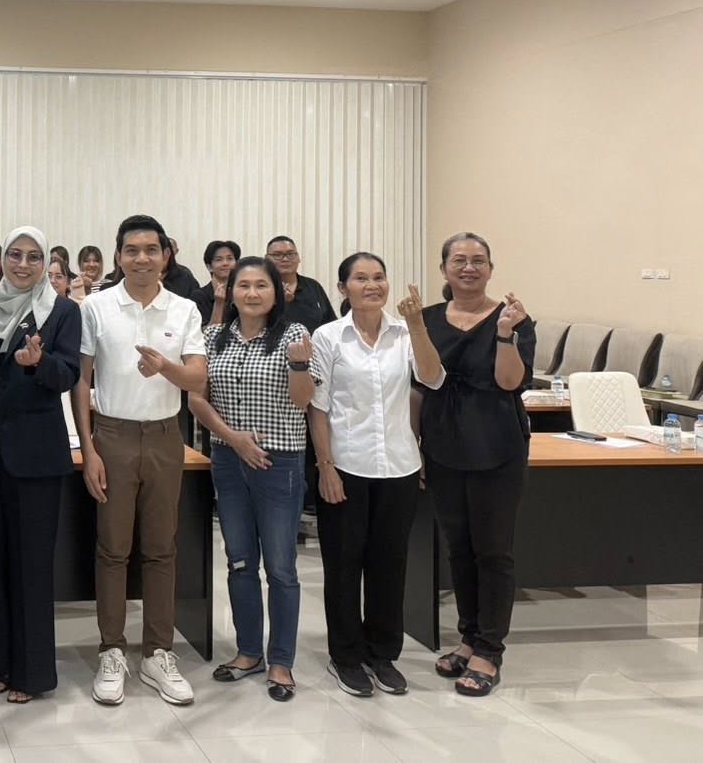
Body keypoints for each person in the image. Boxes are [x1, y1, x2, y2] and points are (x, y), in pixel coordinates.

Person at [74, 214, 207, 708]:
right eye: (132, 250)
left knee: (161, 549)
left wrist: (165, 367)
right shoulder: (97, 306)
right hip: (112, 436)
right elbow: (82, 380)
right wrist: (88, 448)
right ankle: (112, 651)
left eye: (152, 250)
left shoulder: (184, 309)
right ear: (118, 256)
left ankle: (157, 653)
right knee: (112, 548)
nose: (142, 259)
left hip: (166, 436)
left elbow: (196, 379)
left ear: (166, 256)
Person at [0, 227, 81, 702]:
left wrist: (38, 363)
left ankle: (32, 672)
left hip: (36, 457)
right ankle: (0, 662)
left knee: (31, 566)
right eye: (14, 255)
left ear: (45, 263)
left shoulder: (62, 311)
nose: (22, 265)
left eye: (33, 257)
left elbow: (68, 375)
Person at [308, 254, 443, 699]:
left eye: (379, 277)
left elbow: (432, 378)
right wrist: (326, 467)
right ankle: (346, 656)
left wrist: (418, 325)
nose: (372, 285)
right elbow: (318, 407)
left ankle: (382, 653)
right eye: (361, 278)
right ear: (343, 287)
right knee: (343, 567)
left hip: (399, 466)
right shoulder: (329, 336)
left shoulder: (405, 333)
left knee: (390, 566)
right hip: (346, 466)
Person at [190, 255, 314, 703]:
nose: (253, 293)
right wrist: (234, 440)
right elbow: (196, 400)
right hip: (228, 459)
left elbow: (303, 401)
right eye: (244, 285)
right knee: (240, 561)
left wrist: (299, 367)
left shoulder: (294, 335)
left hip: (279, 463)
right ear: (231, 291)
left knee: (280, 566)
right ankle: (248, 653)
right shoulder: (212, 337)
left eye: (262, 285)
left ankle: (281, 660)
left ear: (276, 292)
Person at [418, 233, 535, 699]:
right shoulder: (426, 319)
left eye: (478, 260)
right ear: (444, 269)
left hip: (497, 445)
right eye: (459, 260)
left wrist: (505, 333)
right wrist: (415, 445)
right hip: (443, 445)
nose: (469, 268)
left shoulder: (515, 318)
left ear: (491, 268)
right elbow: (419, 385)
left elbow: (510, 382)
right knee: (459, 548)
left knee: (493, 551)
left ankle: (489, 650)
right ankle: (468, 638)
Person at [266, 236, 337, 332]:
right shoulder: (262, 288)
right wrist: (280, 302)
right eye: (277, 255)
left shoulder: (313, 286)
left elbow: (330, 323)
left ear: (298, 258)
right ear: (266, 259)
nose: (285, 259)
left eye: (290, 254)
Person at [190, 240, 241, 326]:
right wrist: (218, 303)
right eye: (219, 259)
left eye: (230, 258)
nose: (225, 263)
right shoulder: (199, 296)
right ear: (209, 267)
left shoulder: (240, 293)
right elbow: (205, 332)